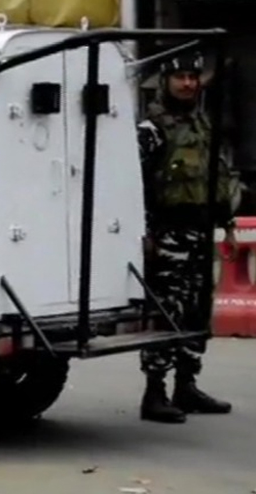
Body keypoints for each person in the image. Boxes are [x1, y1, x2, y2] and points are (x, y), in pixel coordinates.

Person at [137, 51, 236, 424]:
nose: (188, 83)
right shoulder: (151, 130)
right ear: (165, 82)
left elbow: (216, 178)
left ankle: (186, 385)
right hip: (168, 235)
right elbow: (135, 187)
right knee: (166, 311)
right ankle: (154, 392)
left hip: (200, 231)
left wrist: (227, 223)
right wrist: (146, 232)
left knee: (197, 309)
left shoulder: (202, 125)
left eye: (193, 77)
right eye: (180, 77)